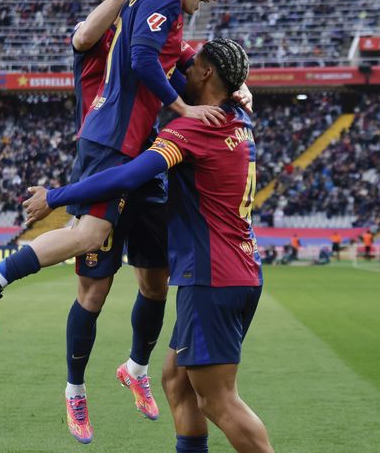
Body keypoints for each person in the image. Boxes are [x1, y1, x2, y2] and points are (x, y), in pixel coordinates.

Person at [0, 0, 235, 444]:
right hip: (108, 146)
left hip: (143, 157)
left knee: (156, 280)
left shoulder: (154, 14)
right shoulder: (109, 25)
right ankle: (65, 377)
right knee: (91, 257)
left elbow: (169, 61)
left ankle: (135, 366)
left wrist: (221, 78)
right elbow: (95, 38)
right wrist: (182, 107)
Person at [27, 39, 273, 453]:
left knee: (218, 400)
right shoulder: (240, 118)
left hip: (212, 277)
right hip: (239, 271)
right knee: (177, 380)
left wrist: (56, 196)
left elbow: (126, 177)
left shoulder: (193, 129)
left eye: (191, 66)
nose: (183, 72)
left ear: (208, 74)